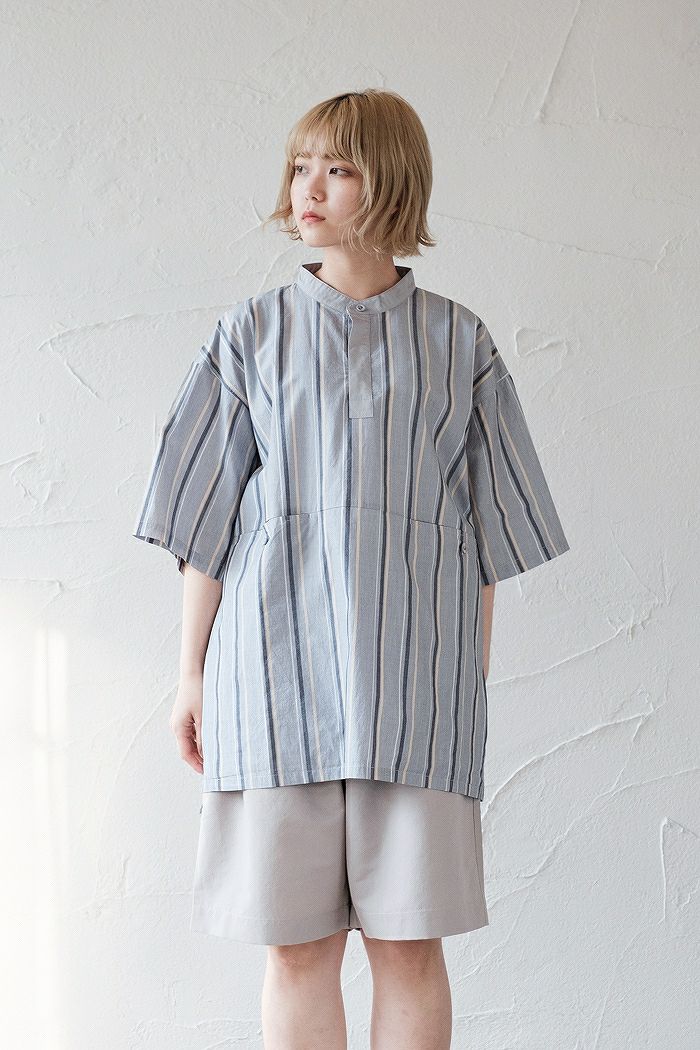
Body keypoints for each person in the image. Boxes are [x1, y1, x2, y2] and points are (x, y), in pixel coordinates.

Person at [132, 88, 570, 1050]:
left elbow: (489, 541)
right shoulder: (250, 334)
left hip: (415, 693)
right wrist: (191, 675)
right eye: (301, 167)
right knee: (297, 949)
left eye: (338, 168)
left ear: (392, 182)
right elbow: (205, 524)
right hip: (273, 681)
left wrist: (466, 683)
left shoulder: (459, 343)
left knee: (410, 948)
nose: (310, 188)